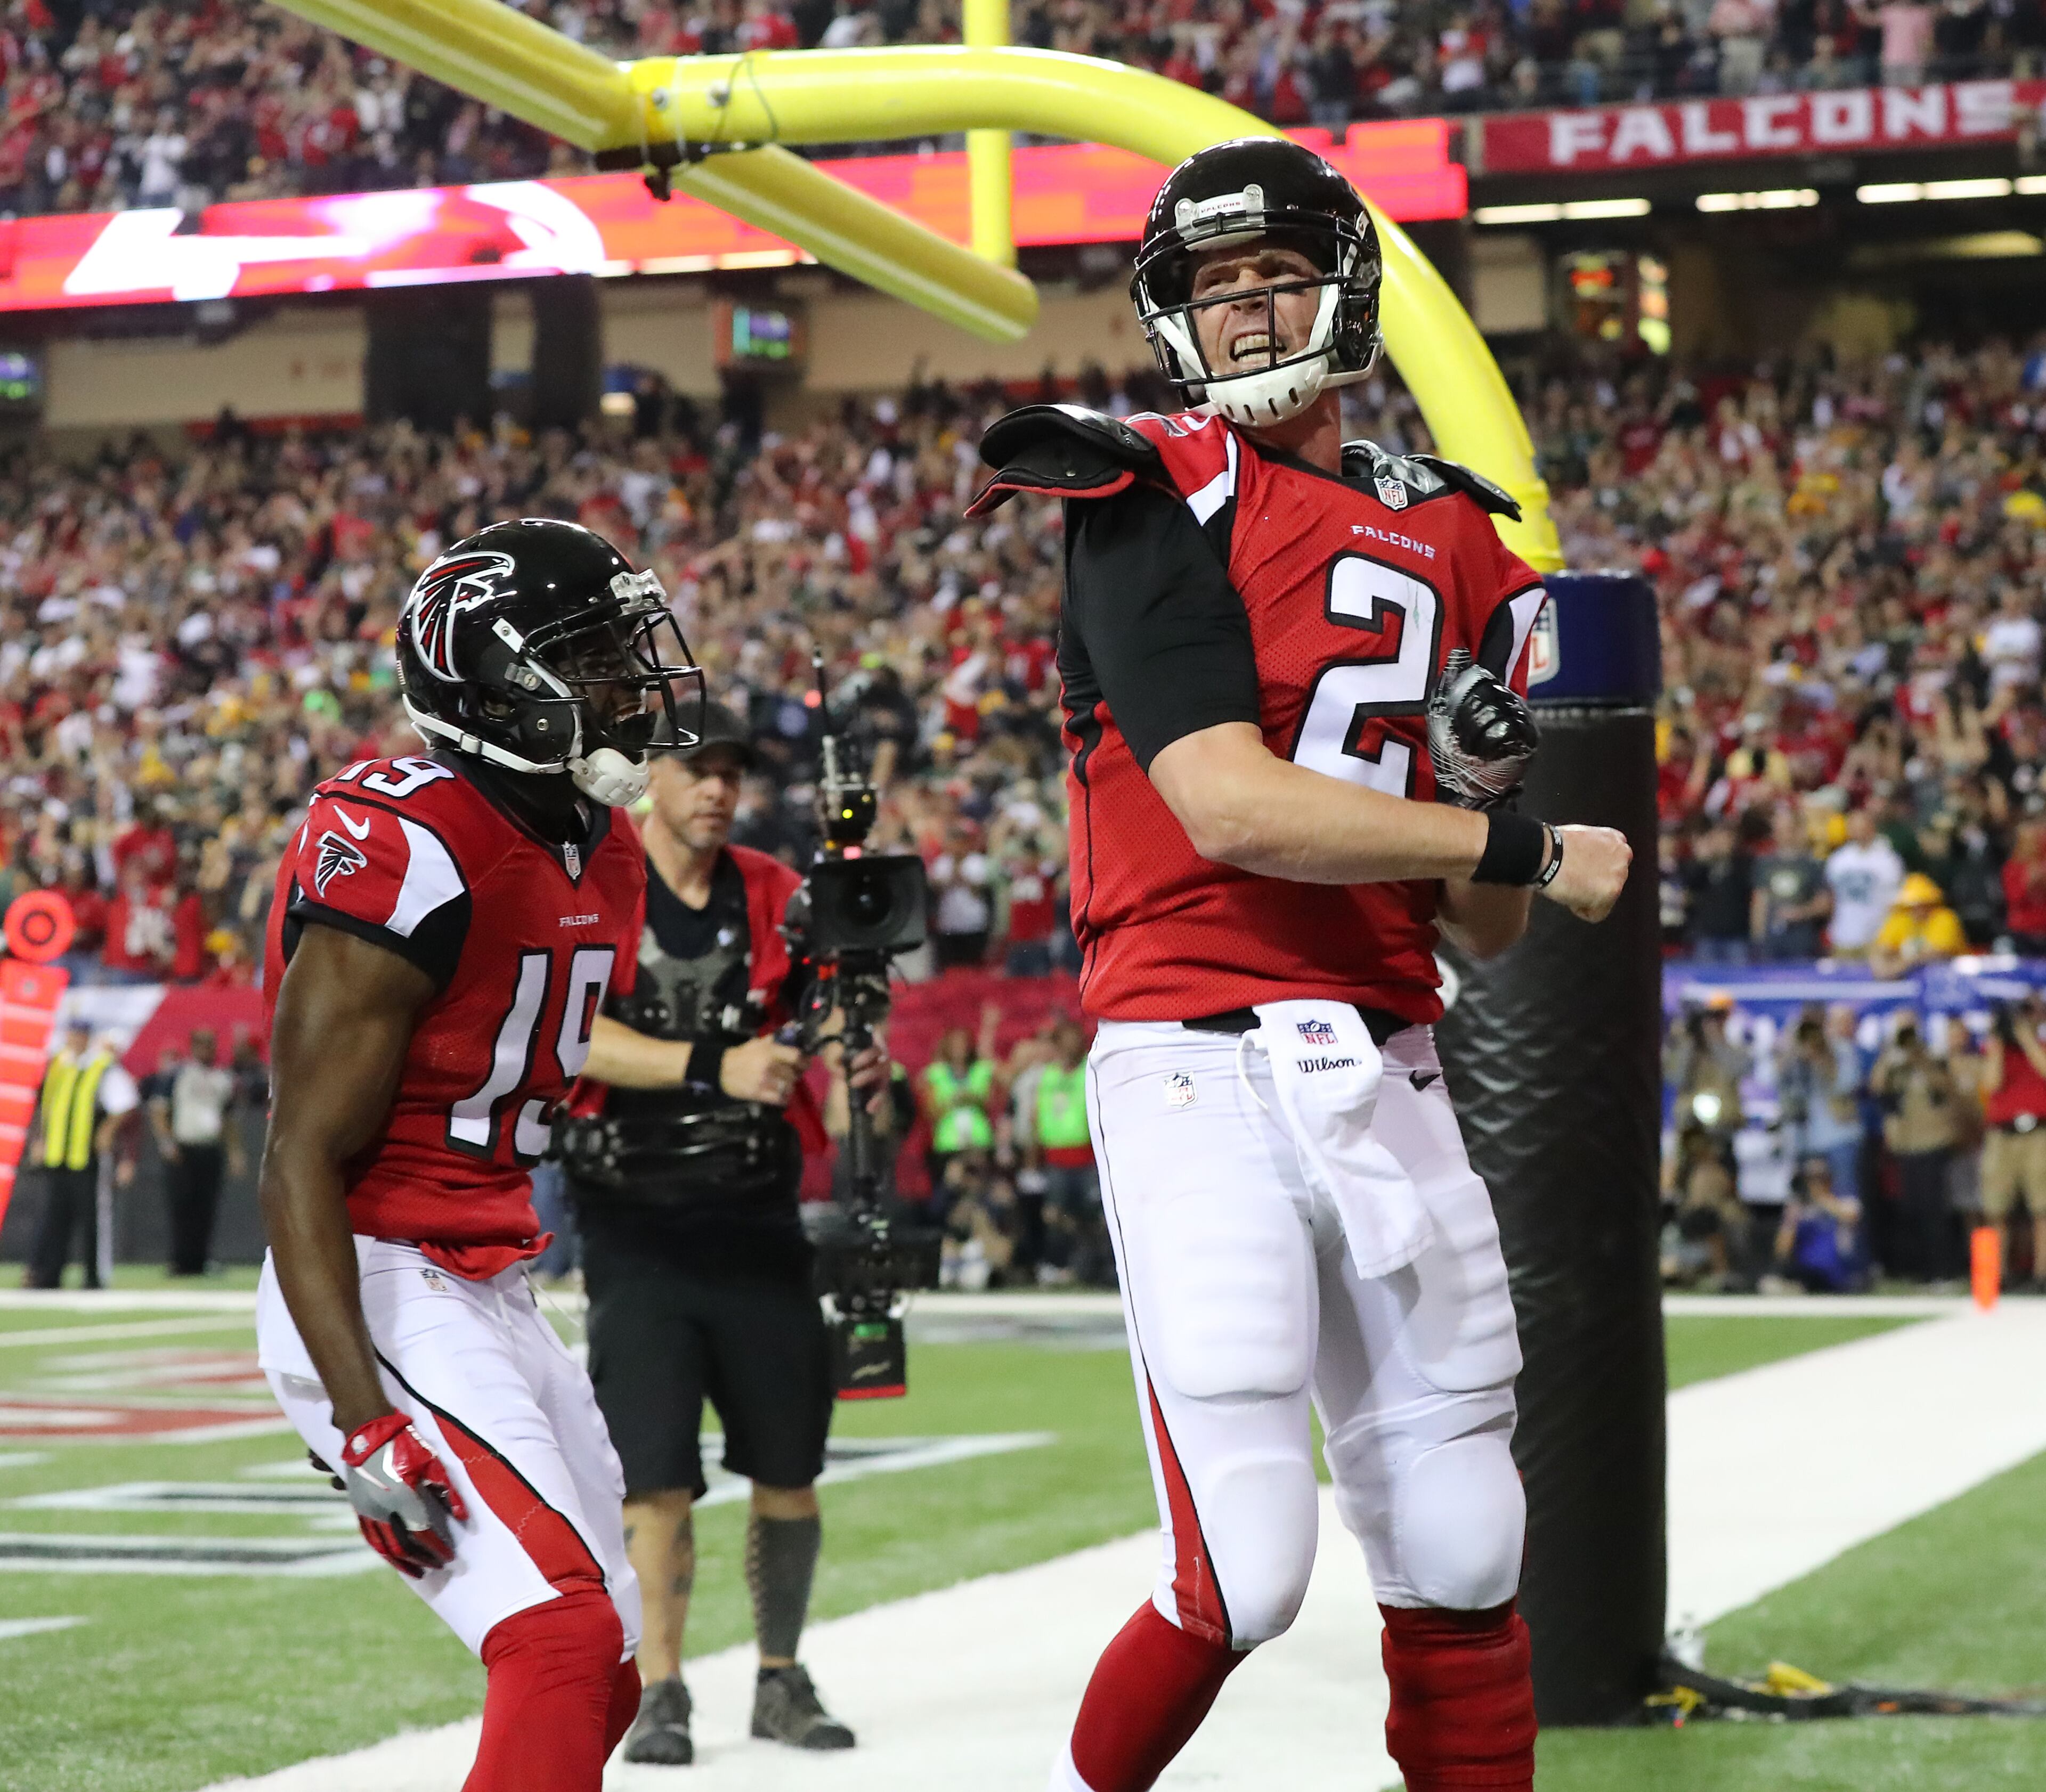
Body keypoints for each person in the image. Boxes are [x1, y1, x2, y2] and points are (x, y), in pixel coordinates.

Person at [968, 139, 1631, 1792]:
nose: (1247, 311)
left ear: (1340, 283)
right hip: (1192, 1044)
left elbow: (1475, 938)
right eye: (1213, 284)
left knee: (1471, 1537)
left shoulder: (1456, 535)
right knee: (1245, 1567)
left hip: (1386, 1050)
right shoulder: (1144, 483)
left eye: (1272, 273)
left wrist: (1480, 799)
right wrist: (1518, 840)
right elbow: (1221, 802)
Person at [254, 519, 701, 1791]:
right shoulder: (410, 838)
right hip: (378, 1265)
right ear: (492, 678)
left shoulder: (599, 837)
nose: (630, 675)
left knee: (610, 1660)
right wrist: (361, 1421)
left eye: (624, 643)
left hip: (488, 1273)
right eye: (592, 652)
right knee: (558, 1638)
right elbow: (296, 1152)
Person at [562, 700, 877, 1765]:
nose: (716, 788)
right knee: (653, 1472)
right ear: (647, 774)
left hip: (757, 1218)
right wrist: (712, 1065)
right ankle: (661, 1687)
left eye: (731, 771)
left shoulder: (778, 890)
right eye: (697, 767)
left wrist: (850, 1073)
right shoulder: (596, 882)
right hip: (634, 1225)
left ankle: (781, 1677)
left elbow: (829, 1013)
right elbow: (573, 1031)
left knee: (790, 1463)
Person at [26, 1022, 138, 1290]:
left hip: (88, 1158)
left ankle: (94, 1277)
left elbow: (126, 1104)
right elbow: (46, 1106)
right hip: (57, 1155)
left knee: (92, 1220)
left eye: (80, 1035)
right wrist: (39, 1139)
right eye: (72, 1034)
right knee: (54, 1219)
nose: (75, 1040)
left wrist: (108, 1131)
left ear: (88, 1037)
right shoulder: (58, 1066)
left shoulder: (102, 1066)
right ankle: (49, 1276)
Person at [1872, 1010, 1961, 1282]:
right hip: (1906, 1145)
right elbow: (1876, 1086)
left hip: (1933, 1142)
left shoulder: (1934, 1058)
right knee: (1912, 1209)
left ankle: (1943, 1270)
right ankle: (1918, 1269)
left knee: (1935, 1209)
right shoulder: (1894, 1064)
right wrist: (1891, 1053)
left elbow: (1948, 1089)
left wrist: (1921, 1059)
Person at [147, 1027, 242, 1276]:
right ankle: (181, 1261)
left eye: (209, 1044)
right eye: (201, 1044)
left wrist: (234, 1152)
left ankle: (200, 1261)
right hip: (183, 1148)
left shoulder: (223, 1078)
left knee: (206, 1207)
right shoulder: (178, 1074)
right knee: (182, 1206)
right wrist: (167, 1143)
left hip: (210, 1148)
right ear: (192, 1047)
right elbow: (158, 1110)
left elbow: (228, 1118)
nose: (206, 1049)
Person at [1980, 995, 2046, 1289]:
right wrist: (1998, 1045)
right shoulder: (1996, 1050)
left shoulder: (2040, 1046)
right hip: (2002, 1136)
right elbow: (1992, 1084)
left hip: (2038, 1134)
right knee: (1996, 1207)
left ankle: (2042, 1274)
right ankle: (1997, 1274)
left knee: (2042, 1208)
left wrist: (2026, 1037)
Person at [1767, 1155, 1868, 1293]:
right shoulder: (1800, 1207)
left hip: (1839, 1269)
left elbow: (1852, 1216)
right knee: (1771, 1283)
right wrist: (1792, 1220)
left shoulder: (1845, 1199)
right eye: (1812, 1179)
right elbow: (1782, 1251)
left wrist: (1822, 1200)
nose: (1817, 1184)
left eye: (1821, 1178)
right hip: (1807, 1270)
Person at [1824, 806, 1904, 956]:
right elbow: (1831, 897)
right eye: (1854, 827)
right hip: (1843, 936)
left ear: (1872, 828)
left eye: (1862, 827)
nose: (1858, 832)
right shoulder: (1838, 860)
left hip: (1877, 937)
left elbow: (1897, 899)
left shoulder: (1888, 860)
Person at [1869, 871, 1969, 975]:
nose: (1918, 910)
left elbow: (1940, 952)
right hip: (1909, 979)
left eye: (1924, 903)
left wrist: (1902, 964)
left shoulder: (1945, 918)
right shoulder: (1900, 919)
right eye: (1912, 905)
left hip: (1948, 978)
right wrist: (1882, 968)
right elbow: (1882, 949)